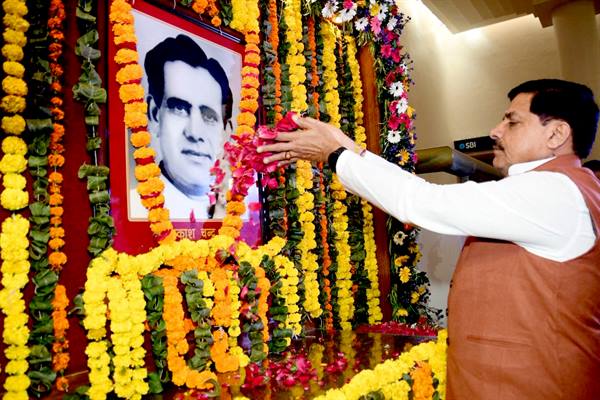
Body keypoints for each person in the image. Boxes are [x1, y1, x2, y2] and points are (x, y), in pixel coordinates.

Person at [258, 79, 600, 399]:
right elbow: (419, 194)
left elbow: (423, 201)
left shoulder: (554, 191)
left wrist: (336, 154)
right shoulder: (561, 187)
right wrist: (347, 147)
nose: (495, 131)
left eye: (512, 122)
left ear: (556, 133)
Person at [130, 34, 233, 220]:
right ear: (154, 115)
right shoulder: (134, 209)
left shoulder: (242, 211)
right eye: (179, 109)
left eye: (209, 116)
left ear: (227, 133)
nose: (195, 132)